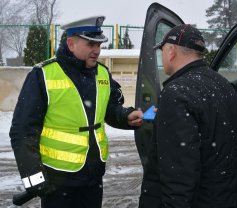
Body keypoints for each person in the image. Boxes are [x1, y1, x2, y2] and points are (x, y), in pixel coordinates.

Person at [10, 16, 143, 208]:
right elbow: (22, 131)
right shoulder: (42, 75)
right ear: (71, 43)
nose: (97, 50)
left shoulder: (103, 73)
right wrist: (34, 179)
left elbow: (109, 109)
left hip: (93, 176)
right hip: (57, 180)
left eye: (99, 45)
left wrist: (126, 116)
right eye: (91, 44)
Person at [138, 24, 237, 208]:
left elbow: (179, 175)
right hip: (225, 197)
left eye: (162, 50)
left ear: (171, 51)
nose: (162, 56)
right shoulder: (223, 85)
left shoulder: (176, 94)